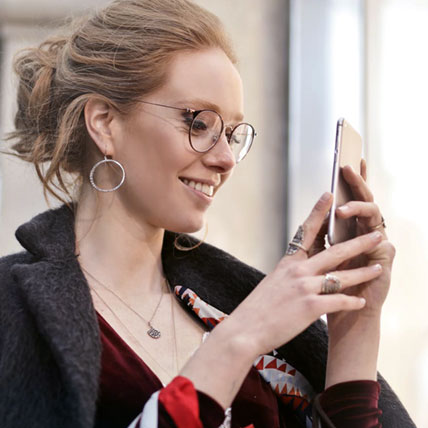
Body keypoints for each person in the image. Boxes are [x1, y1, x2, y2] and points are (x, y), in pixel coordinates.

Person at [0, 0, 416, 427]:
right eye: (199, 123)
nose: (226, 159)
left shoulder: (226, 303)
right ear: (105, 123)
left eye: (232, 134)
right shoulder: (12, 310)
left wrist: (355, 326)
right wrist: (238, 340)